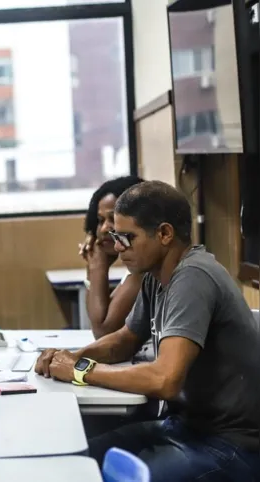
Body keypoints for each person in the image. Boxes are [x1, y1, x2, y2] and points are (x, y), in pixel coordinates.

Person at [36, 180, 260, 481]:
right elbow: (125, 340)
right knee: (76, 461)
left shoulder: (193, 277)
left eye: (127, 237)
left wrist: (79, 369)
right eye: (116, 236)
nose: (117, 247)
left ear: (165, 234)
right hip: (183, 427)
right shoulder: (155, 276)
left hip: (229, 445)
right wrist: (68, 357)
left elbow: (164, 379)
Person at [79, 176, 145, 340]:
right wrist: (93, 267)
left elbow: (103, 331)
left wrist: (97, 267)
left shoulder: (145, 269)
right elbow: (101, 319)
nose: (103, 229)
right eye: (100, 220)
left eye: (113, 219)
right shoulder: (134, 268)